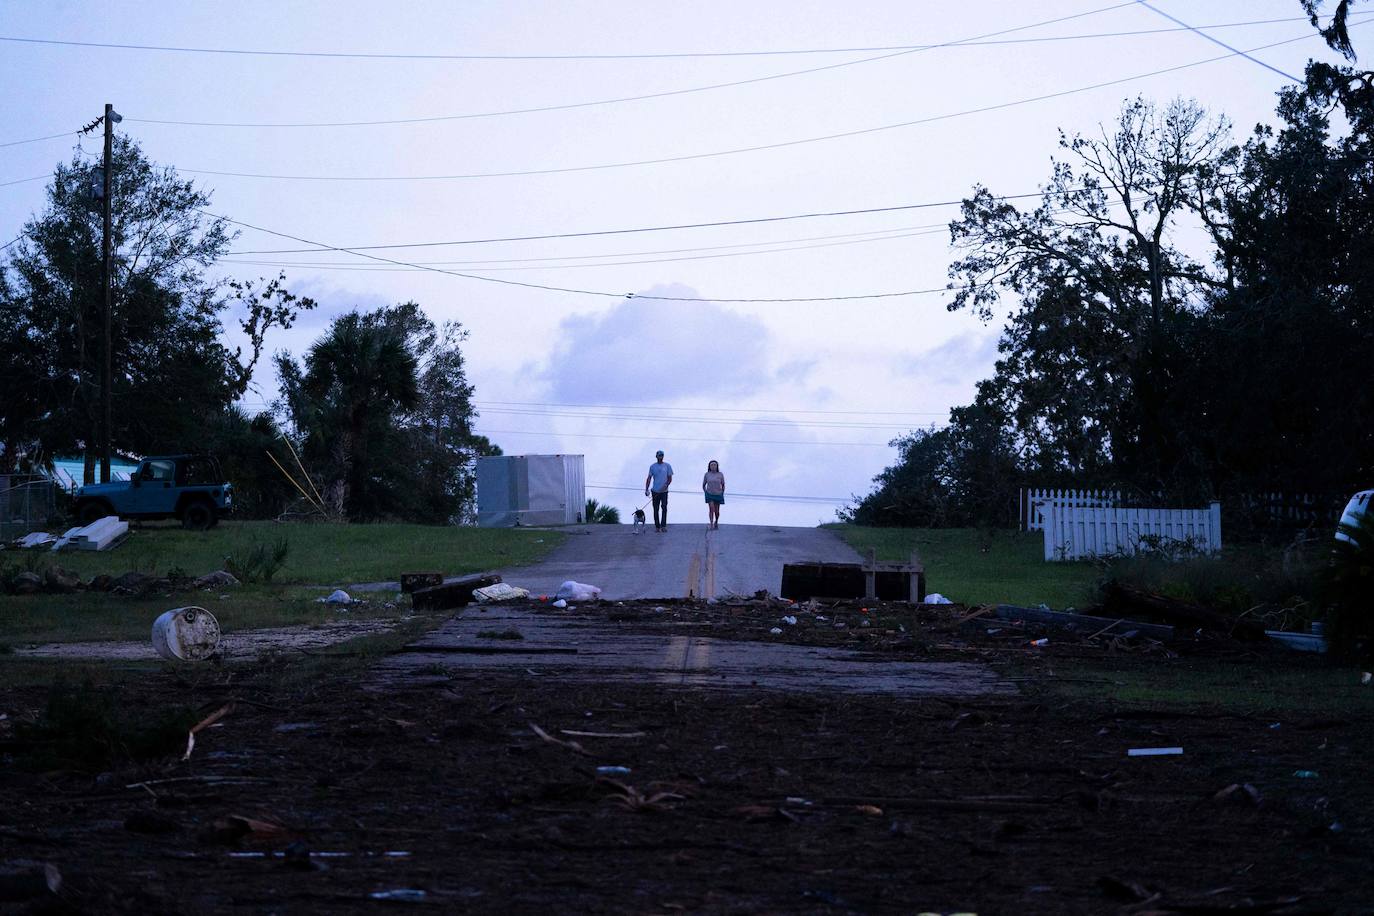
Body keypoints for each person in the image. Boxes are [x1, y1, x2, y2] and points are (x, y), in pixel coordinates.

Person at [644, 449, 673, 532]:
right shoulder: (652, 466)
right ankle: (657, 526)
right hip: (655, 491)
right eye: (659, 455)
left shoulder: (667, 466)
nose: (660, 457)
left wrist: (666, 485)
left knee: (664, 507)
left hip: (664, 491)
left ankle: (663, 526)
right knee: (655, 509)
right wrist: (646, 489)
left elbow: (670, 478)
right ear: (656, 456)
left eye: (662, 455)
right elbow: (649, 478)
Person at [702, 459, 725, 529]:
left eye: (714, 465)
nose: (713, 466)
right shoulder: (707, 474)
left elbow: (723, 484)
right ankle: (711, 523)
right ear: (709, 466)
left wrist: (722, 492)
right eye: (711, 465)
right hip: (709, 494)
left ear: (717, 466)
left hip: (718, 494)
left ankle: (716, 521)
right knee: (711, 508)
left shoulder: (720, 474)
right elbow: (703, 484)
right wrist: (705, 492)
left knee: (717, 511)